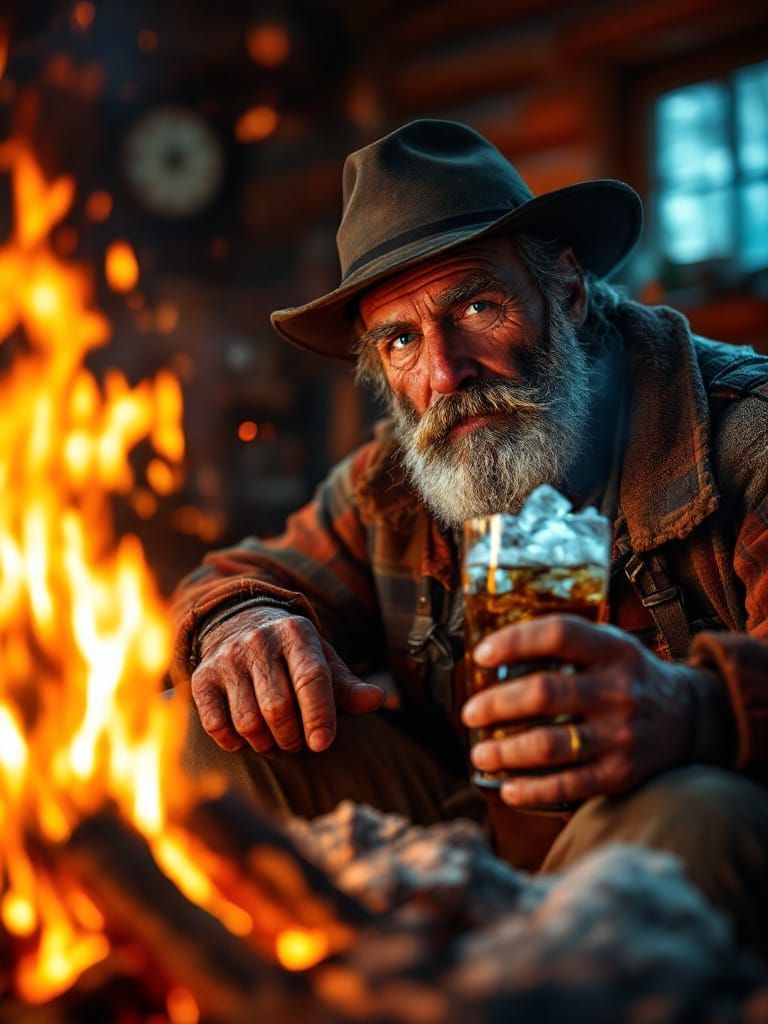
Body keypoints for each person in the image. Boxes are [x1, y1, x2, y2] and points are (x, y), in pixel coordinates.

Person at [172, 119, 768, 954]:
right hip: (472, 848)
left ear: (564, 289)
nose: (445, 373)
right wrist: (242, 620)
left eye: (477, 306)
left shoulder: (744, 437)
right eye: (402, 340)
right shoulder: (396, 482)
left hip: (650, 847)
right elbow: (245, 573)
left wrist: (698, 709)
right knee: (222, 730)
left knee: (704, 813)